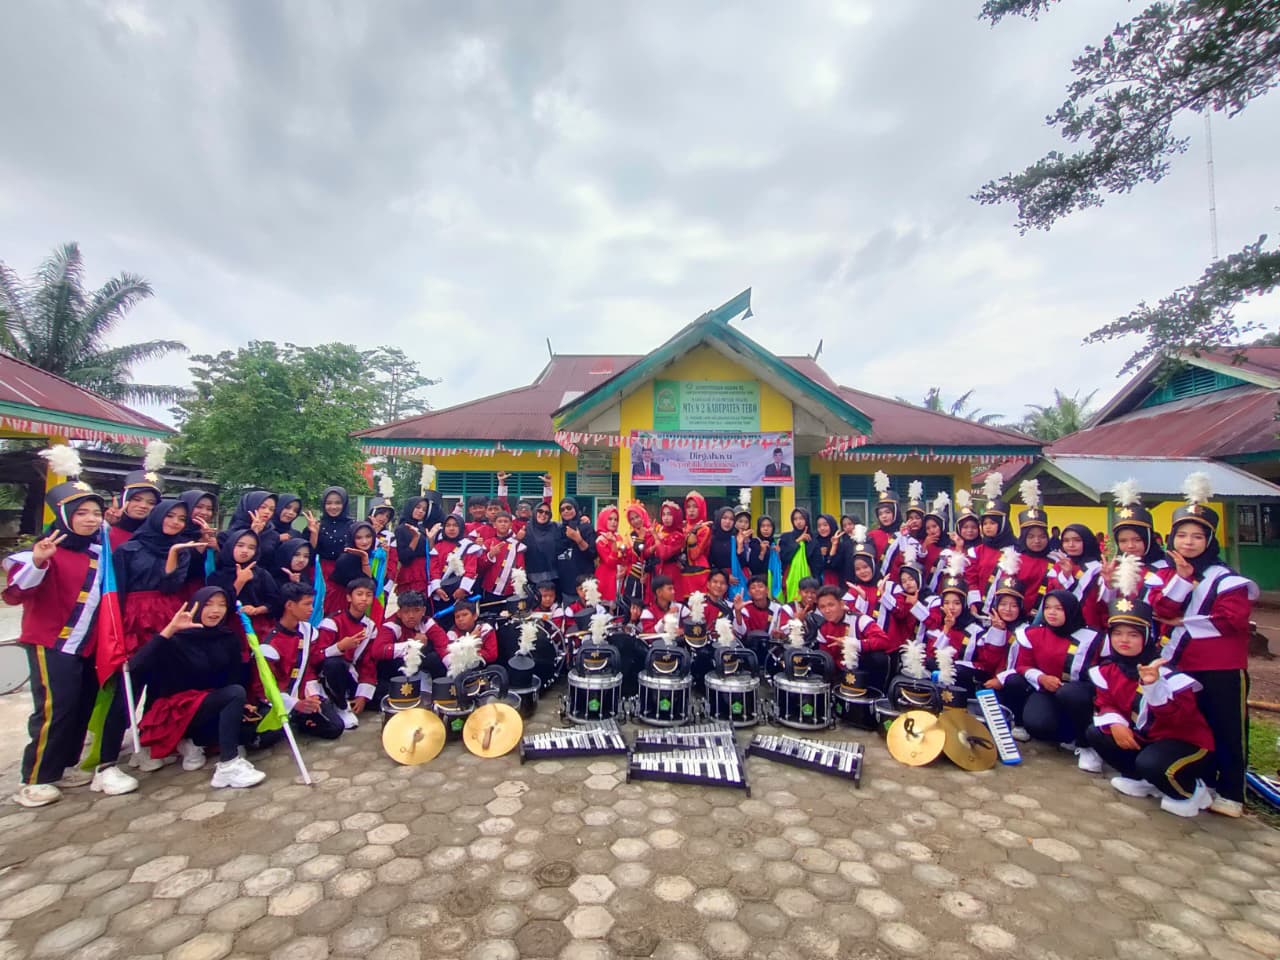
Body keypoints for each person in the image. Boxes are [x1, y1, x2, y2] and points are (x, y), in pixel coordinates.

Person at [4, 473, 135, 806]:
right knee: (55, 709)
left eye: (95, 513)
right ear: (63, 516)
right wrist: (38, 560)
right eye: (81, 513)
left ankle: (64, 765)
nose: (90, 519)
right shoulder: (41, 552)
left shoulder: (99, 547)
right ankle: (35, 778)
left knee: (80, 706)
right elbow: (16, 594)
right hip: (51, 644)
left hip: (88, 646)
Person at [1150, 476, 1258, 818]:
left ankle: (1231, 793)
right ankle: (1202, 781)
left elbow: (1232, 620)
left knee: (1227, 729)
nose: (1189, 542)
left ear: (1210, 539)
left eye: (1197, 536)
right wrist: (1181, 580)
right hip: (1184, 664)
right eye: (1182, 535)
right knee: (1195, 725)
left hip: (1222, 668)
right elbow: (1160, 610)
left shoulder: (1228, 579)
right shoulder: (1168, 575)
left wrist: (1184, 623)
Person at [1085, 596, 1216, 818]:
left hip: (1185, 742)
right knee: (1097, 733)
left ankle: (1192, 792)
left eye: (1133, 634)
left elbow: (1179, 722)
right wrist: (1115, 723)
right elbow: (1104, 702)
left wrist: (1153, 687)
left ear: (1146, 637)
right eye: (1117, 633)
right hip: (1147, 738)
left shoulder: (1168, 674)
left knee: (1152, 763)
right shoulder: (1109, 669)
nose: (1123, 640)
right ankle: (1143, 780)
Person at [129, 588, 268, 788]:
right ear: (197, 605)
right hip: (179, 708)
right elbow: (136, 666)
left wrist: (245, 706)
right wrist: (169, 631)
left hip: (211, 704)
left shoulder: (227, 637)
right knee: (234, 694)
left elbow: (233, 678)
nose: (216, 610)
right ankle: (227, 765)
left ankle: (196, 742)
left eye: (222, 604)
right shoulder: (178, 639)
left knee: (263, 727)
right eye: (209, 604)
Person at [996, 590, 1102, 764]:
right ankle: (1057, 731)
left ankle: (1085, 744)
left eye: (1059, 608)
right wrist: (1042, 678)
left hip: (1078, 695)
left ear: (1071, 610)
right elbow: (1023, 665)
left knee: (1070, 694)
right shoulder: (1034, 634)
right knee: (1037, 724)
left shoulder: (1092, 638)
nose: (1052, 612)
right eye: (1047, 608)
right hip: (1046, 688)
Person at [115, 500, 201, 662]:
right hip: (133, 613)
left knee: (167, 660)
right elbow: (118, 587)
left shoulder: (182, 551)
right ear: (157, 515)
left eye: (182, 519)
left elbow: (170, 586)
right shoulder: (128, 549)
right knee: (135, 660)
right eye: (170, 516)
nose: (175, 522)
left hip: (167, 610)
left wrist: (172, 554)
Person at [257, 582, 344, 739]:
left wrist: (312, 695)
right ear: (289, 605)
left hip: (304, 695)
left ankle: (300, 720)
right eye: (307, 604)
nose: (311, 608)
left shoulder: (307, 630)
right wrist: (294, 703)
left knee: (335, 727)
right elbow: (263, 688)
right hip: (280, 700)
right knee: (271, 734)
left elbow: (309, 668)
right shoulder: (270, 644)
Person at [354, 590, 448, 713]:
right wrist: (411, 645)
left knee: (435, 658)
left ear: (423, 611)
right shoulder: (390, 625)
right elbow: (378, 651)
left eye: (416, 610)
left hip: (419, 670)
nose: (411, 616)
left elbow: (443, 644)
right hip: (391, 673)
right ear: (399, 613)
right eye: (406, 611)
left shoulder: (427, 622)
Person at [314, 576, 378, 729]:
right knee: (335, 664)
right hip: (328, 673)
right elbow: (316, 656)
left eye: (368, 595)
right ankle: (341, 706)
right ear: (349, 597)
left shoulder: (370, 626)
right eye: (359, 594)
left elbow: (367, 661)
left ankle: (355, 697)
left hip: (352, 672)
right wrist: (340, 647)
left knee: (381, 695)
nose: (364, 599)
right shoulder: (332, 622)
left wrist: (363, 694)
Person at [812, 586, 894, 691]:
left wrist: (853, 644)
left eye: (831, 605)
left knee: (879, 658)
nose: (827, 610)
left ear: (841, 604)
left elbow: (884, 641)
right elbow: (827, 659)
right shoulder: (823, 628)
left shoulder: (860, 620)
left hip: (864, 670)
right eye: (822, 607)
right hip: (841, 671)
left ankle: (876, 696)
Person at [209, 529, 281, 645]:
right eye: (240, 545)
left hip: (258, 629)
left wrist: (257, 610)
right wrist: (240, 582)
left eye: (251, 548)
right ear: (230, 546)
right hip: (227, 630)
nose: (245, 551)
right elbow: (218, 604)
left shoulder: (261, 574)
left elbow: (275, 601)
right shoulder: (217, 576)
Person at [964, 478, 1017, 615]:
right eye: (985, 523)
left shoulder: (1016, 550)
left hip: (1005, 611)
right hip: (979, 608)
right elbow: (971, 579)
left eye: (992, 523)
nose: (987, 527)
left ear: (1003, 524)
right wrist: (974, 603)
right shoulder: (976, 551)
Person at [1047, 523, 1107, 630]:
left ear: (1087, 541)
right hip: (1062, 625)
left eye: (1077, 540)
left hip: (1090, 624)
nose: (1071, 545)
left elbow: (1105, 602)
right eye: (1066, 541)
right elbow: (1050, 593)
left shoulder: (1099, 568)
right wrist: (1065, 576)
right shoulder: (1059, 565)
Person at [314, 487, 355, 617]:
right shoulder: (317, 525)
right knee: (322, 609)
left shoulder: (352, 525)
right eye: (329, 503)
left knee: (343, 612)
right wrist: (313, 533)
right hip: (323, 575)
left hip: (346, 574)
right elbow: (310, 551)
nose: (333, 507)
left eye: (337, 503)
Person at [554, 498, 597, 605]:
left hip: (585, 585)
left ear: (576, 509)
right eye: (562, 509)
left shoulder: (586, 528)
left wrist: (578, 539)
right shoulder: (558, 530)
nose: (566, 511)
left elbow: (592, 554)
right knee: (568, 619)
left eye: (569, 508)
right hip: (565, 586)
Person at [107, 469, 163, 550]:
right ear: (125, 500)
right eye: (137, 499)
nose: (143, 506)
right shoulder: (103, 532)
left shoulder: (160, 537)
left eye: (151, 503)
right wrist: (106, 525)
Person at [430, 515, 480, 605]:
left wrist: (462, 589)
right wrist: (437, 588)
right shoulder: (438, 547)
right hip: (440, 593)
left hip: (461, 595)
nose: (451, 528)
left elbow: (471, 570)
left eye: (455, 525)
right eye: (448, 525)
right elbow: (434, 570)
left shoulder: (469, 546)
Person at [435, 600, 498, 669]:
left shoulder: (485, 629)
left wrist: (467, 650)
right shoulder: (452, 634)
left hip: (485, 668)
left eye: (465, 615)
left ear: (475, 616)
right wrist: (470, 639)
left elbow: (492, 655)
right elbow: (451, 656)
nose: (461, 619)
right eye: (457, 617)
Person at [394, 496, 436, 597]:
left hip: (425, 570)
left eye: (424, 509)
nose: (421, 511)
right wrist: (415, 538)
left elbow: (428, 552)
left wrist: (431, 539)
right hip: (411, 573)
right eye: (418, 507)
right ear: (410, 507)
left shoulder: (422, 528)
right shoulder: (401, 529)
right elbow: (404, 558)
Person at [593, 506, 634, 605]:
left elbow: (626, 557)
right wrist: (614, 544)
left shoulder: (618, 536)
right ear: (603, 520)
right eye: (610, 519)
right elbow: (610, 562)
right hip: (606, 578)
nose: (613, 522)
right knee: (606, 610)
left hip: (620, 578)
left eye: (616, 519)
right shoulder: (601, 540)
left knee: (620, 608)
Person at [778, 508, 822, 591]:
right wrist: (798, 541)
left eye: (801, 518)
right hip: (789, 580)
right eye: (795, 519)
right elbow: (784, 557)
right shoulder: (786, 537)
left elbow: (817, 565)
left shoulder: (813, 539)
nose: (798, 522)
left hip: (809, 582)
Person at [842, 526, 880, 617]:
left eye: (865, 567)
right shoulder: (853, 591)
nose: (862, 571)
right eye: (857, 569)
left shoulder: (885, 587)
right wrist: (862, 598)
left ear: (873, 566)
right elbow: (849, 617)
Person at [812, 514, 844, 588]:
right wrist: (819, 554)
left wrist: (833, 547)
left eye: (825, 525)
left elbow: (834, 566)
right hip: (816, 583)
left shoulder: (840, 543)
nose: (822, 528)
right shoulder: (814, 543)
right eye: (819, 526)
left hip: (834, 582)